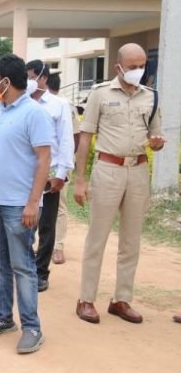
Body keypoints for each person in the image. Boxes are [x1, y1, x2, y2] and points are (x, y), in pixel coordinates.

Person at [0, 54, 53, 354]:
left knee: (23, 266)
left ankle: (32, 328)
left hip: (20, 205)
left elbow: (44, 160)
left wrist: (33, 202)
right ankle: (3, 318)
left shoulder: (34, 114)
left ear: (6, 81)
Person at [73, 43, 165, 325]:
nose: (139, 71)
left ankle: (121, 300)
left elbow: (156, 135)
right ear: (118, 67)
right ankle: (86, 299)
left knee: (131, 240)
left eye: (142, 66)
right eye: (133, 67)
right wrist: (80, 179)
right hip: (108, 169)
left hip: (138, 170)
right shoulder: (100, 94)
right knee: (97, 237)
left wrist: (157, 144)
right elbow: (86, 137)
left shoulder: (151, 96)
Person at [25, 61, 74, 292]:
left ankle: (41, 273)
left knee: (46, 226)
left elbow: (66, 140)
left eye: (31, 77)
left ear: (43, 78)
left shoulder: (58, 105)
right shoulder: (22, 103)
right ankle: (22, 269)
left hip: (50, 173)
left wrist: (61, 174)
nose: (28, 81)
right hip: (24, 174)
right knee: (22, 225)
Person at [47, 72, 80, 265]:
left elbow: (75, 137)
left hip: (59, 165)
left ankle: (58, 247)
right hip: (41, 164)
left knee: (59, 205)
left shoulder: (65, 105)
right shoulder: (35, 103)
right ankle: (41, 245)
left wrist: (63, 164)